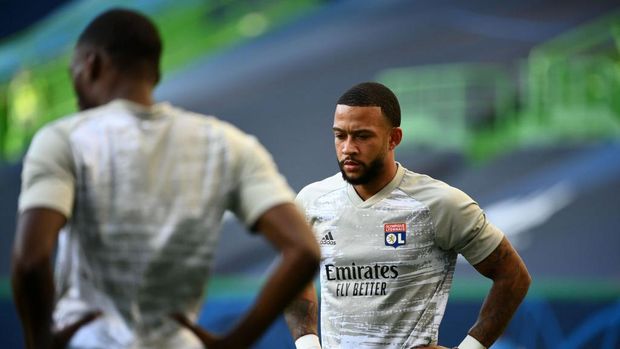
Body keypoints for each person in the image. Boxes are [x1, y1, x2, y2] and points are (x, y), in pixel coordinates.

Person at [11, 8, 320, 349]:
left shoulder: (63, 138)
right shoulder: (227, 144)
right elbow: (303, 249)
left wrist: (39, 340)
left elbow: (31, 260)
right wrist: (234, 342)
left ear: (91, 65)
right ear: (155, 73)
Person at [285, 82, 531, 349]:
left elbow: (513, 276)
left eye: (362, 136)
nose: (348, 148)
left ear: (394, 138)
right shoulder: (312, 201)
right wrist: (308, 343)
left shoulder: (440, 203)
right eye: (340, 135)